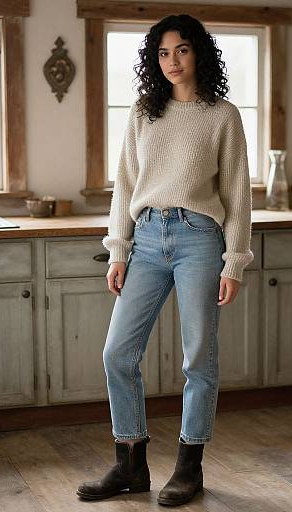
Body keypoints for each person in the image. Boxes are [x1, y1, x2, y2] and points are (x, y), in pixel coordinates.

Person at [77, 13, 254, 507]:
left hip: (201, 239)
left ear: (200, 53)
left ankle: (189, 467)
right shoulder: (142, 112)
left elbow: (238, 195)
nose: (172, 61)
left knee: (199, 358)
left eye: (181, 50)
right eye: (162, 53)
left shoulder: (223, 114)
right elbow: (125, 187)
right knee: (118, 352)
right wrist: (119, 250)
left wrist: (233, 261)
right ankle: (129, 462)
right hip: (148, 238)